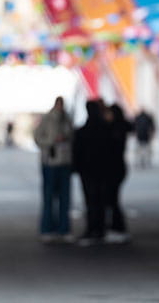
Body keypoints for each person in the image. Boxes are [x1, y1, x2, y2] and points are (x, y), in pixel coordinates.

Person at [33, 97, 74, 243]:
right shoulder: (47, 119)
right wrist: (51, 142)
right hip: (50, 162)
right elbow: (37, 138)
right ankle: (47, 228)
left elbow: (72, 137)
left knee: (65, 198)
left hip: (65, 162)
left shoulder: (68, 119)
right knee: (49, 197)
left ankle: (64, 229)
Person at [73, 100, 110, 246]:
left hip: (87, 171)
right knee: (101, 200)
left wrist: (76, 168)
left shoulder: (82, 132)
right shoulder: (106, 130)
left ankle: (92, 228)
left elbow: (77, 152)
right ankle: (100, 229)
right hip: (102, 171)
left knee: (90, 201)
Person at [105, 103, 134, 243]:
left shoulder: (114, 129)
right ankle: (116, 227)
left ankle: (118, 227)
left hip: (114, 168)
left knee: (113, 200)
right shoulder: (121, 126)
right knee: (113, 199)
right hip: (119, 167)